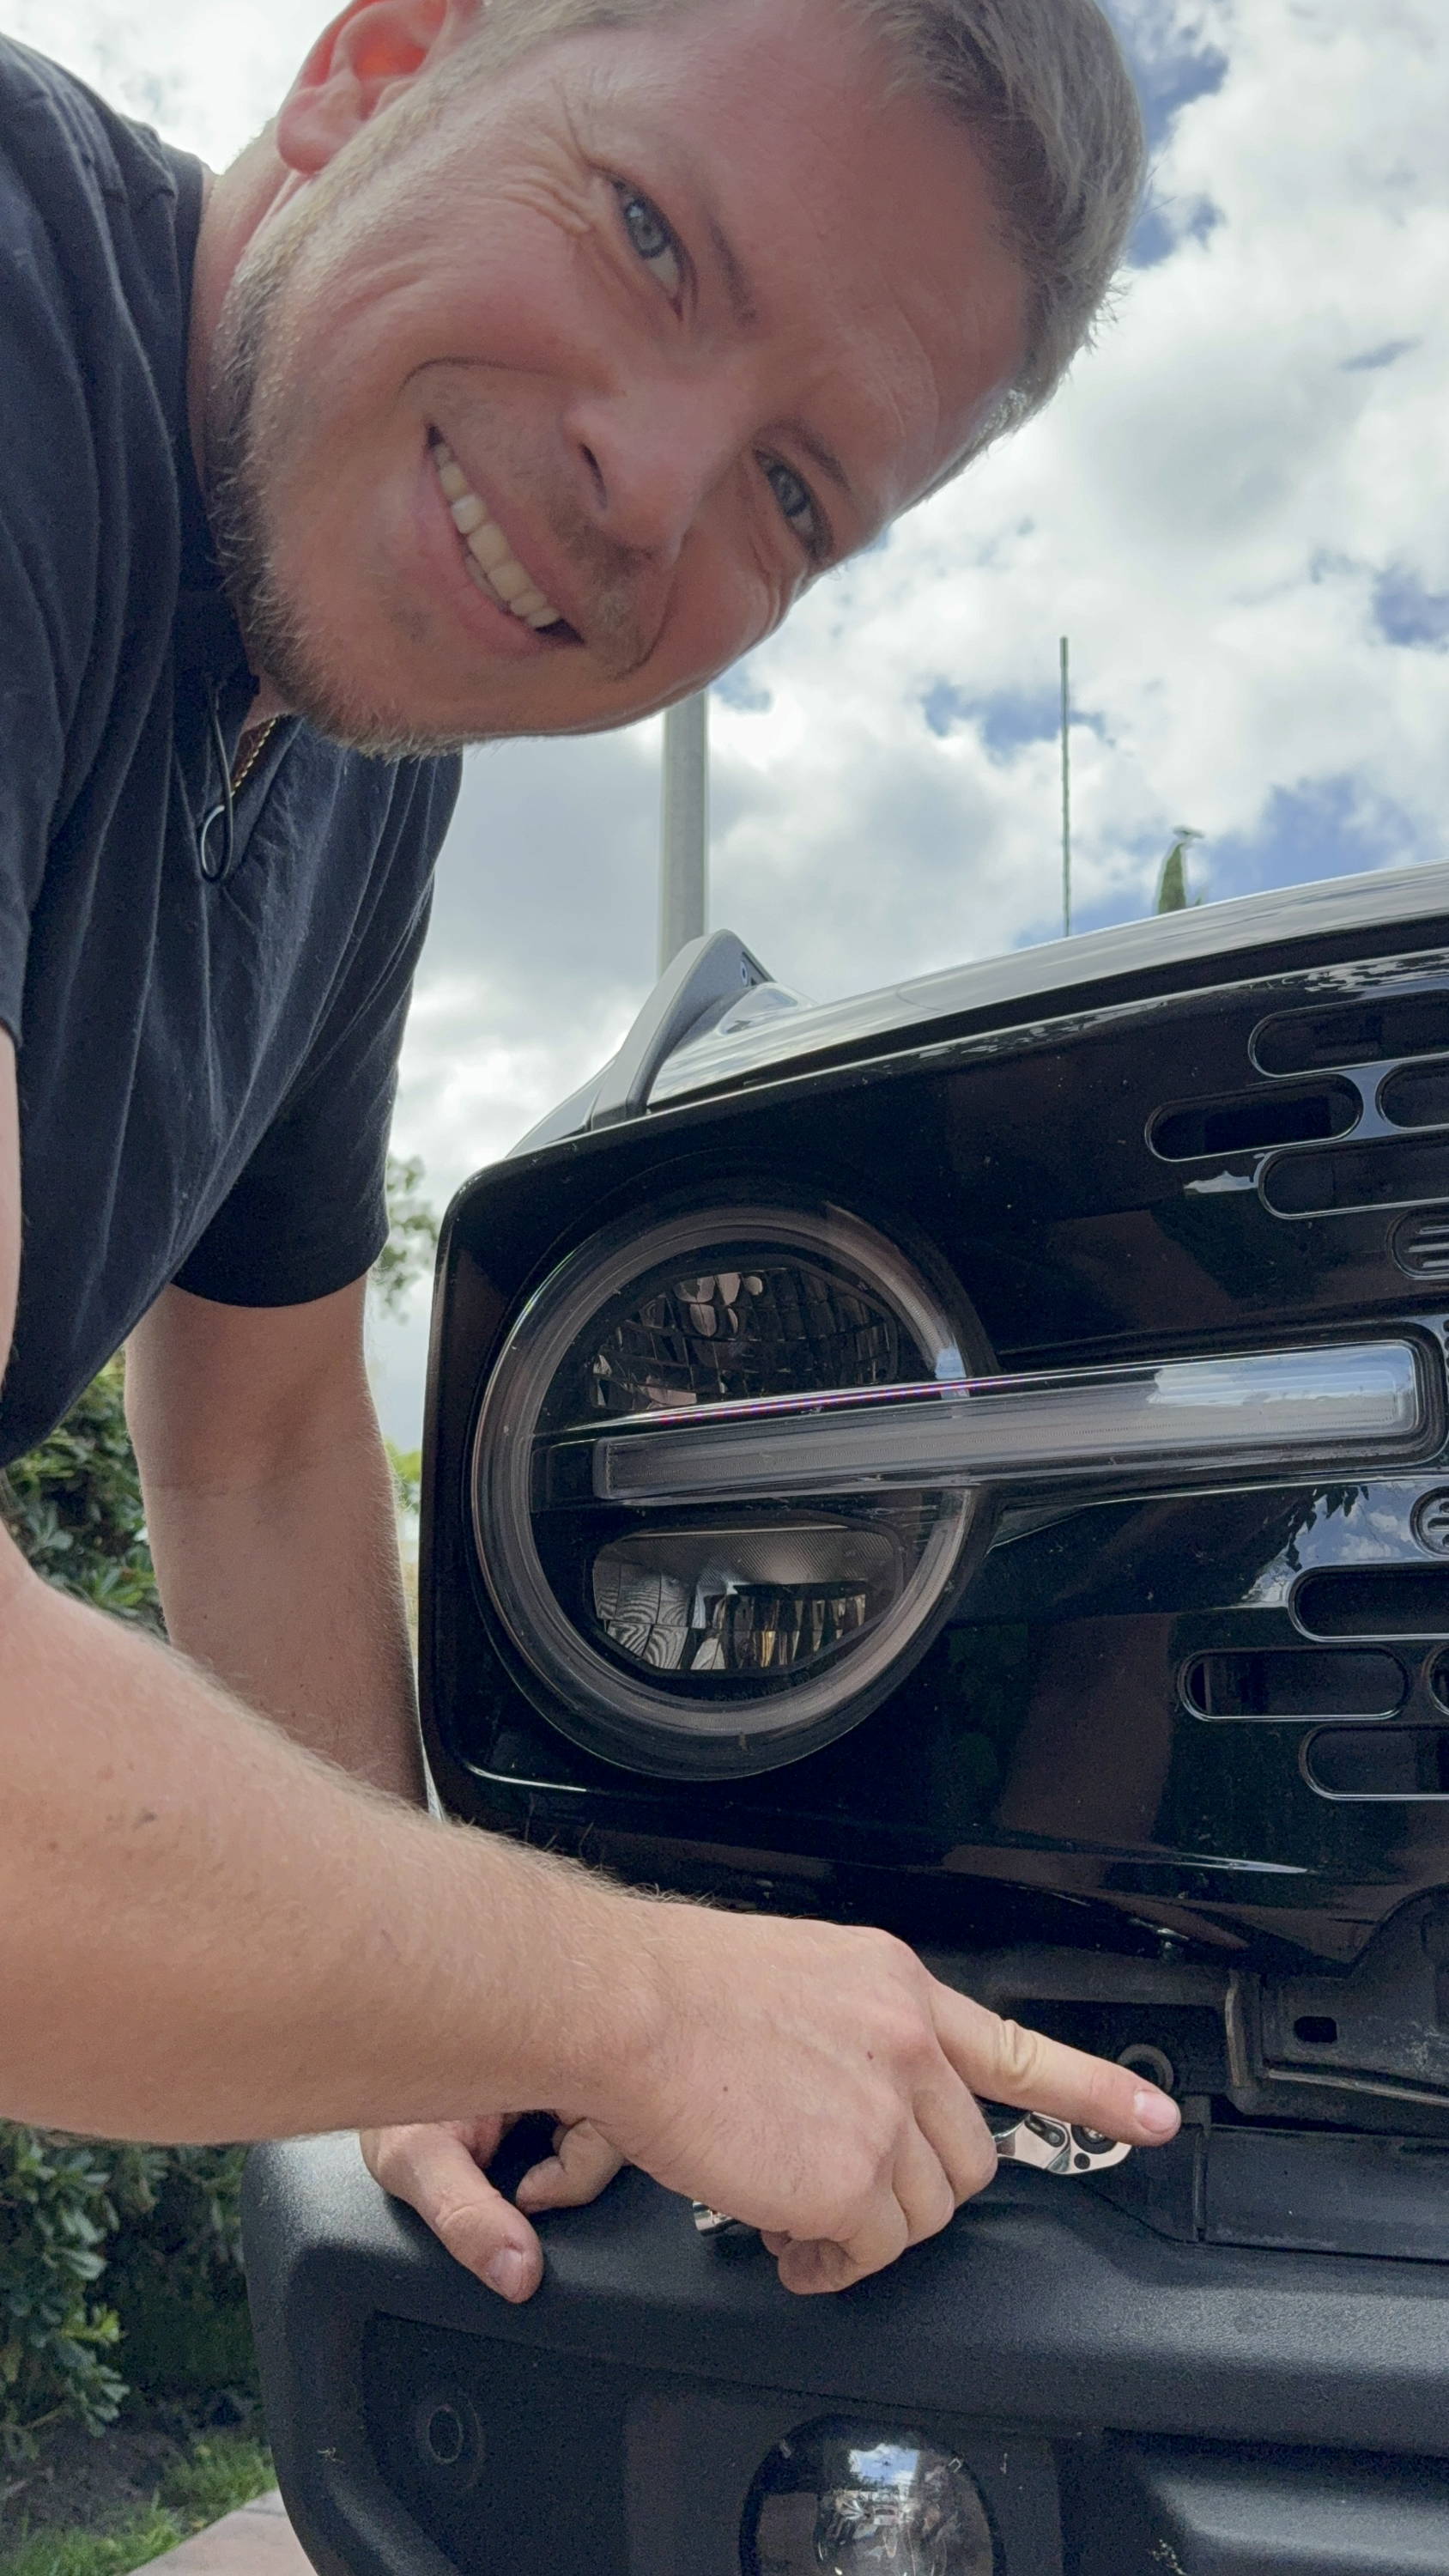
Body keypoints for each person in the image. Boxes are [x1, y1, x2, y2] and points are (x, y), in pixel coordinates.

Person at [0, 0, 1178, 2310]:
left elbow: (251, 1430)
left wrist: (426, 2026)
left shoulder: (355, 768)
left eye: (799, 493)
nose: (653, 489)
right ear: (379, 60)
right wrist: (624, 1993)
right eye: (651, 238)